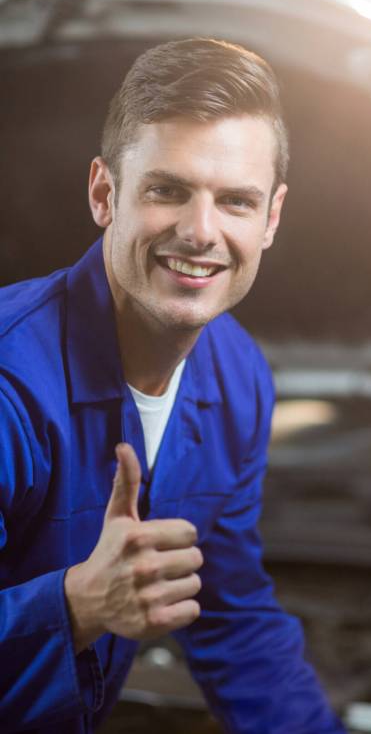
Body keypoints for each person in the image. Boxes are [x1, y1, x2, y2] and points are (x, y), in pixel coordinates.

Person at [0, 38, 346, 734]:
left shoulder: (237, 374)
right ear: (105, 193)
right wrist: (75, 606)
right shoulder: (11, 386)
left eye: (236, 201)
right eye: (168, 190)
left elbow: (230, 614)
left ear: (271, 219)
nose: (200, 232)